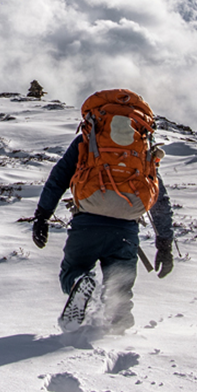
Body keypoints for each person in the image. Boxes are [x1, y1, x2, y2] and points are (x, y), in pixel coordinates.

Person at [31, 131, 174, 330]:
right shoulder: (140, 148)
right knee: (120, 289)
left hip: (87, 223)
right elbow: (159, 198)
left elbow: (59, 176)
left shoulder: (88, 139)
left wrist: (42, 216)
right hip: (125, 230)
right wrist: (165, 244)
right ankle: (118, 332)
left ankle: (78, 283)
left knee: (72, 272)